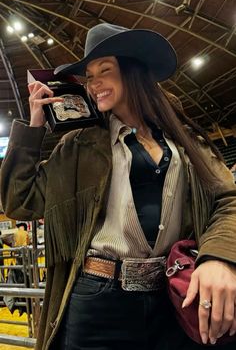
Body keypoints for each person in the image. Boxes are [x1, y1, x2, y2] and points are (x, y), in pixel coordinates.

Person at [1, 22, 236, 350]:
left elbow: (229, 199)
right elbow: (19, 200)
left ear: (132, 71)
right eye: (90, 76)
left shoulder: (187, 140)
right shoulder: (78, 147)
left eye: (104, 70)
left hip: (172, 300)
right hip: (98, 301)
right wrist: (34, 126)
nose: (94, 84)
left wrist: (219, 257)